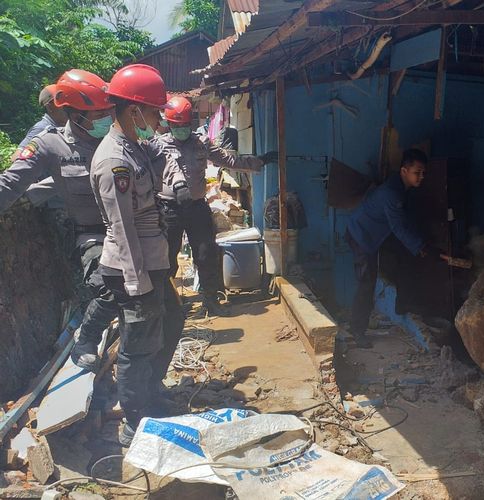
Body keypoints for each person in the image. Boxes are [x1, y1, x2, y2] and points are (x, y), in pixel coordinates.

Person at [0, 69, 122, 369]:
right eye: (96, 114)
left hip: (130, 228)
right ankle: (86, 340)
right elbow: (10, 184)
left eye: (108, 111)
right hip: (92, 234)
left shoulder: (119, 136)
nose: (105, 118)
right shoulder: (48, 145)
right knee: (107, 289)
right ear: (72, 114)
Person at [89, 64, 184, 446]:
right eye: (155, 112)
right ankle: (135, 421)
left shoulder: (136, 147)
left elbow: (167, 156)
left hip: (151, 260)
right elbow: (122, 227)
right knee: (137, 343)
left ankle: (150, 393)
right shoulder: (114, 161)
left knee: (170, 323)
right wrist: (136, 279)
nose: (159, 119)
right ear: (133, 112)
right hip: (133, 266)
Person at [157, 95, 277, 315]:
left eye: (185, 125)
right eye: (177, 126)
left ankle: (211, 301)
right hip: (169, 210)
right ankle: (167, 307)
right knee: (167, 259)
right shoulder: (158, 147)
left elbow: (228, 160)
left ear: (190, 124)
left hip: (196, 207)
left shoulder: (201, 143)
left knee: (206, 254)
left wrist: (260, 161)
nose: (181, 129)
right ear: (169, 124)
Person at [345, 149, 445, 348]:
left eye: (424, 173)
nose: (422, 177)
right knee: (367, 283)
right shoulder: (393, 193)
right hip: (361, 237)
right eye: (417, 172)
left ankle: (403, 303)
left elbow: (403, 223)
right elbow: (399, 227)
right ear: (404, 171)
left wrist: (420, 245)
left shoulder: (399, 187)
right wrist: (422, 247)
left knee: (403, 258)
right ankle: (357, 330)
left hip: (373, 234)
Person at [11, 85, 68, 162]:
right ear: (49, 107)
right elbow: (16, 158)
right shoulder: (42, 128)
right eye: (61, 103)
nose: (67, 106)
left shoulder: (66, 128)